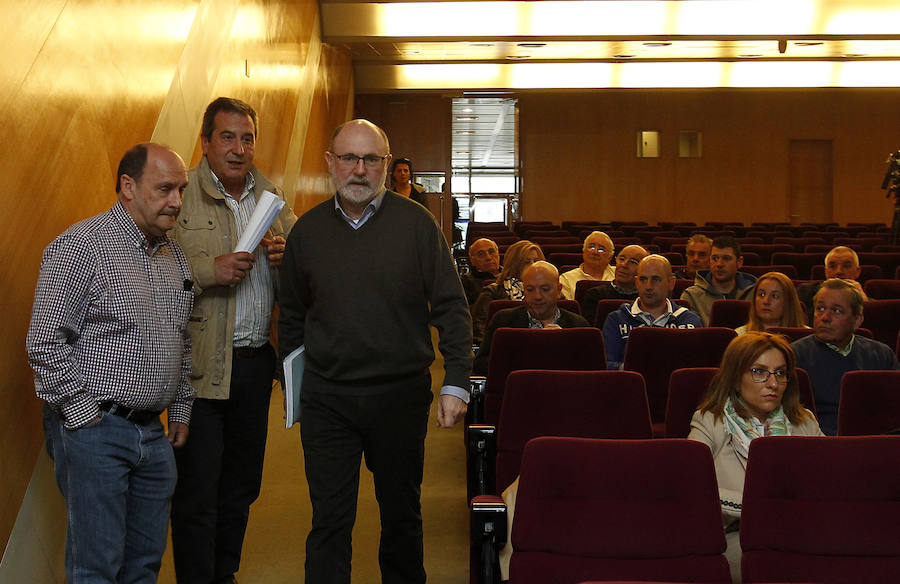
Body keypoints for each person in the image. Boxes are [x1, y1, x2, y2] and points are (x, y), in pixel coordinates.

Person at [278, 119, 472, 584]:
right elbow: (291, 319)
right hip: (328, 401)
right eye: (348, 158)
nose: (359, 170)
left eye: (371, 159)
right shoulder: (306, 233)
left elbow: (451, 307)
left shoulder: (418, 225)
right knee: (329, 521)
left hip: (399, 398)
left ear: (387, 165)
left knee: (402, 516)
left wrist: (457, 381)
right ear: (330, 163)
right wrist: (294, 388)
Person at [26, 143, 194, 584]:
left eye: (181, 190)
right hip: (96, 431)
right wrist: (85, 420)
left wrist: (180, 409)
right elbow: (44, 341)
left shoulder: (173, 256)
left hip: (152, 436)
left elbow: (183, 336)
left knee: (143, 567)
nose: (176, 201)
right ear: (128, 187)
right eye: (164, 189)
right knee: (96, 569)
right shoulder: (82, 246)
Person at [169, 97, 297, 584]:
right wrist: (210, 270)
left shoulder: (272, 198)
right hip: (198, 369)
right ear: (205, 142)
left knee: (242, 487)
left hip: (254, 365)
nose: (239, 148)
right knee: (198, 491)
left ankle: (225, 574)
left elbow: (300, 292)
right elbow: (154, 275)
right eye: (227, 137)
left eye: (247, 138)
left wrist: (289, 266)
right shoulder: (181, 196)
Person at [689, 332, 824, 583]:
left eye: (780, 373)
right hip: (741, 538)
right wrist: (759, 508)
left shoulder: (804, 421)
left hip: (803, 533)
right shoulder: (710, 420)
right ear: (735, 376)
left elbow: (831, 481)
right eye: (759, 372)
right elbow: (692, 491)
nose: (773, 383)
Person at [791, 278, 899, 435]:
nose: (825, 317)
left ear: (857, 320)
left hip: (872, 442)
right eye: (820, 308)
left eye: (836, 311)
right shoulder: (794, 355)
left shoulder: (882, 354)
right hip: (815, 442)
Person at [473, 261, 589, 374]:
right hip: (518, 391)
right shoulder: (503, 320)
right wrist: (534, 350)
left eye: (545, 289)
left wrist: (563, 347)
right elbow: (481, 364)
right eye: (530, 289)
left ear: (558, 290)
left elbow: (590, 370)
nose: (537, 296)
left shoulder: (578, 325)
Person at [602, 255, 702, 370]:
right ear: (636, 282)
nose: (648, 286)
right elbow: (606, 365)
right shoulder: (616, 319)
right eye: (643, 279)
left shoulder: (691, 321)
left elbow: (698, 368)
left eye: (655, 279)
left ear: (671, 283)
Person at [470, 239, 544, 344]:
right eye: (527, 262)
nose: (533, 266)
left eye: (536, 261)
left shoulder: (552, 292)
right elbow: (479, 332)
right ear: (514, 265)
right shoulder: (492, 293)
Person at [680, 236, 757, 326]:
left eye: (726, 258)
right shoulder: (691, 295)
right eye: (715, 258)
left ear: (739, 262)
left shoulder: (755, 293)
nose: (719, 264)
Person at [580, 244, 649, 325]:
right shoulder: (595, 295)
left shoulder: (648, 298)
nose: (624, 264)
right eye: (621, 259)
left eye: (633, 262)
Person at [797, 246, 869, 321]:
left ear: (857, 272)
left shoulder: (866, 300)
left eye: (846, 266)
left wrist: (864, 303)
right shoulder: (805, 292)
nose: (839, 271)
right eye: (832, 266)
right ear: (826, 271)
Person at [736, 271, 808, 334]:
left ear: (788, 302)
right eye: (762, 294)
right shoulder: (740, 335)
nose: (766, 301)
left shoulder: (806, 335)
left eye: (775, 296)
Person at [558, 231, 615, 299]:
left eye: (601, 249)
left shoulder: (619, 275)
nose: (595, 252)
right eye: (591, 247)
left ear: (610, 257)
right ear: (583, 251)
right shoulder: (567, 279)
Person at [461, 237, 501, 304]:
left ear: (498, 254)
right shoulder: (465, 282)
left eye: (491, 252)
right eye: (481, 254)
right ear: (472, 261)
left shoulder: (511, 275)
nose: (488, 257)